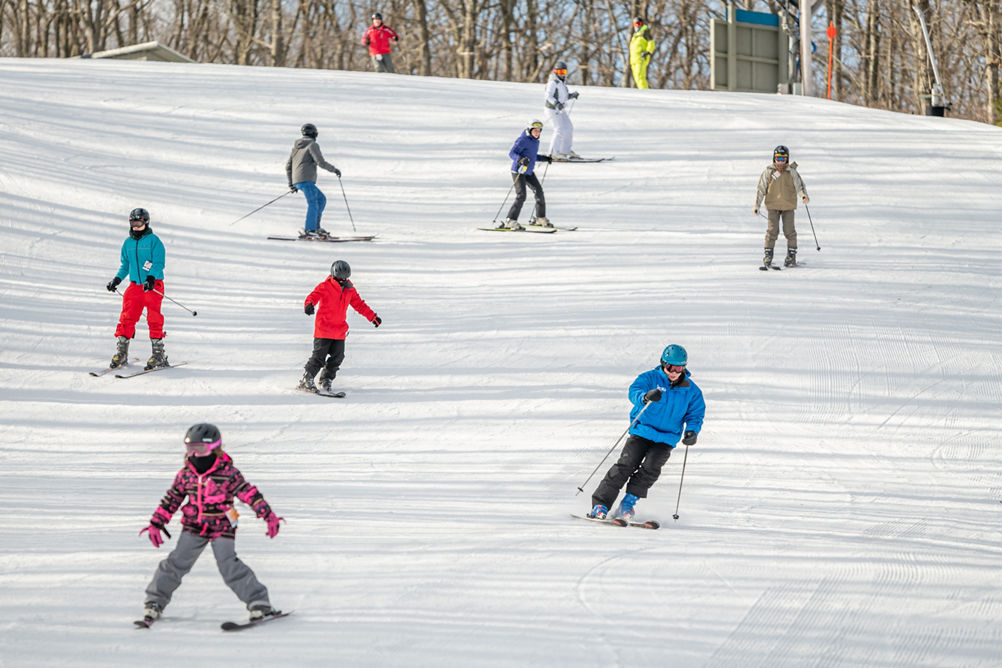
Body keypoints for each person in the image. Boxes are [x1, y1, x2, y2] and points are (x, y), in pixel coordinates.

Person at [138, 423, 283, 625]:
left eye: (200, 449)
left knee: (228, 566)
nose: (195, 454)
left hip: (222, 527)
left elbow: (248, 492)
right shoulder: (185, 474)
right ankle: (155, 602)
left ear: (214, 448)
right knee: (176, 563)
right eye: (190, 449)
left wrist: (268, 515)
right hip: (194, 526)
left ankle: (259, 602)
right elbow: (172, 498)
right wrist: (156, 523)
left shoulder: (228, 473)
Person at [589, 344, 705, 521]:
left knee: (650, 470)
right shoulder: (650, 378)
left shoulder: (691, 390)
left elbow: (696, 414)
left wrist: (692, 431)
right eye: (670, 367)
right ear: (663, 364)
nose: (674, 372)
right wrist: (645, 397)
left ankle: (627, 504)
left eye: (679, 368)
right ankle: (600, 504)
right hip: (642, 431)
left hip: (666, 438)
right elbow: (634, 391)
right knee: (625, 465)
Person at [299, 260, 381, 394]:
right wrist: (309, 305)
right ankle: (306, 379)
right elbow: (313, 296)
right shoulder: (325, 286)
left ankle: (326, 380)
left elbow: (359, 304)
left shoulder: (350, 289)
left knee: (338, 357)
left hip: (339, 330)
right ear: (334, 275)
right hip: (323, 329)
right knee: (319, 357)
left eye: (345, 278)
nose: (343, 280)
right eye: (340, 278)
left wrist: (373, 316)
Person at [105, 207, 168, 370]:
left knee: (153, 317)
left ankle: (158, 354)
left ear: (146, 222)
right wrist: (117, 279)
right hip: (135, 286)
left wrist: (151, 277)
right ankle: (122, 353)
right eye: (133, 222)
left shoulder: (154, 241)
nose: (135, 226)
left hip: (153, 285)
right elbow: (126, 264)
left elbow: (159, 262)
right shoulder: (128, 243)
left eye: (139, 222)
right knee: (127, 316)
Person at [754, 145, 809, 268]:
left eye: (783, 159)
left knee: (789, 231)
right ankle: (768, 254)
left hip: (788, 206)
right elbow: (761, 189)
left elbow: (799, 186)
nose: (780, 162)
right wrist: (756, 205)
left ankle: (791, 255)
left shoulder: (792, 172)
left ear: (787, 159)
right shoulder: (769, 172)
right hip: (773, 206)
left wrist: (803, 196)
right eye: (778, 159)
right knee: (772, 230)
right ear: (774, 159)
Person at [286, 123, 341, 239]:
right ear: (314, 134)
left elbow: (288, 166)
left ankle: (315, 227)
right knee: (313, 203)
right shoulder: (312, 145)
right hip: (306, 180)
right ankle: (310, 230)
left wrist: (292, 183)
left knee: (321, 199)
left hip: (300, 181)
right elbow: (320, 162)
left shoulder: (296, 148)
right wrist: (334, 170)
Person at [499, 120, 553, 230]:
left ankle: (540, 218)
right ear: (529, 130)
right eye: (535, 130)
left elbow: (532, 155)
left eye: (539, 131)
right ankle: (510, 221)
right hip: (518, 171)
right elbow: (512, 153)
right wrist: (520, 160)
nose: (537, 133)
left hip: (528, 171)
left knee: (539, 191)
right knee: (521, 195)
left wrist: (543, 158)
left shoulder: (535, 141)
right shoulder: (523, 140)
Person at [544, 61, 579, 159]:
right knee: (559, 129)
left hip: (561, 109)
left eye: (564, 72)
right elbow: (548, 96)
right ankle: (553, 153)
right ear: (555, 72)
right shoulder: (553, 82)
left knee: (569, 128)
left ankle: (565, 151)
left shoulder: (561, 83)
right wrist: (556, 103)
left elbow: (562, 97)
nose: (562, 74)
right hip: (552, 109)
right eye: (560, 72)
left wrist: (572, 95)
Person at [629, 17, 655, 89]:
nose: (637, 25)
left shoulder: (644, 32)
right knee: (636, 78)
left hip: (641, 58)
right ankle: (642, 90)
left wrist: (648, 51)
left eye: (639, 23)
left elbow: (651, 42)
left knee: (640, 76)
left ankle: (644, 92)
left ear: (642, 24)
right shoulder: (635, 35)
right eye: (636, 24)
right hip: (634, 59)